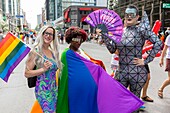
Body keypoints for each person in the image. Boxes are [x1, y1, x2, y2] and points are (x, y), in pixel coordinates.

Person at [57, 26, 143, 113]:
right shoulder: (66, 53)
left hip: (89, 90)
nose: (78, 42)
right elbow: (65, 74)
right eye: (76, 39)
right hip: (76, 90)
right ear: (70, 39)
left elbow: (89, 63)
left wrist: (97, 66)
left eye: (81, 40)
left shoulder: (81, 51)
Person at [97, 4, 162, 111]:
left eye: (132, 14)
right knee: (118, 100)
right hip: (121, 71)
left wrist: (145, 61)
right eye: (127, 14)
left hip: (137, 73)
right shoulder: (120, 32)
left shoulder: (141, 31)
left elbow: (158, 43)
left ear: (137, 17)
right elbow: (112, 49)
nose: (129, 16)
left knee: (133, 104)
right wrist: (104, 35)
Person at [25, 25, 62, 112]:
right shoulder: (35, 52)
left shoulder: (53, 52)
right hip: (43, 91)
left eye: (51, 34)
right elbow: (26, 73)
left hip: (54, 89)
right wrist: (43, 69)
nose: (48, 36)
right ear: (42, 34)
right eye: (46, 33)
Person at [158, 34, 170, 98]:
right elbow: (165, 48)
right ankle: (161, 89)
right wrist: (161, 59)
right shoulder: (169, 37)